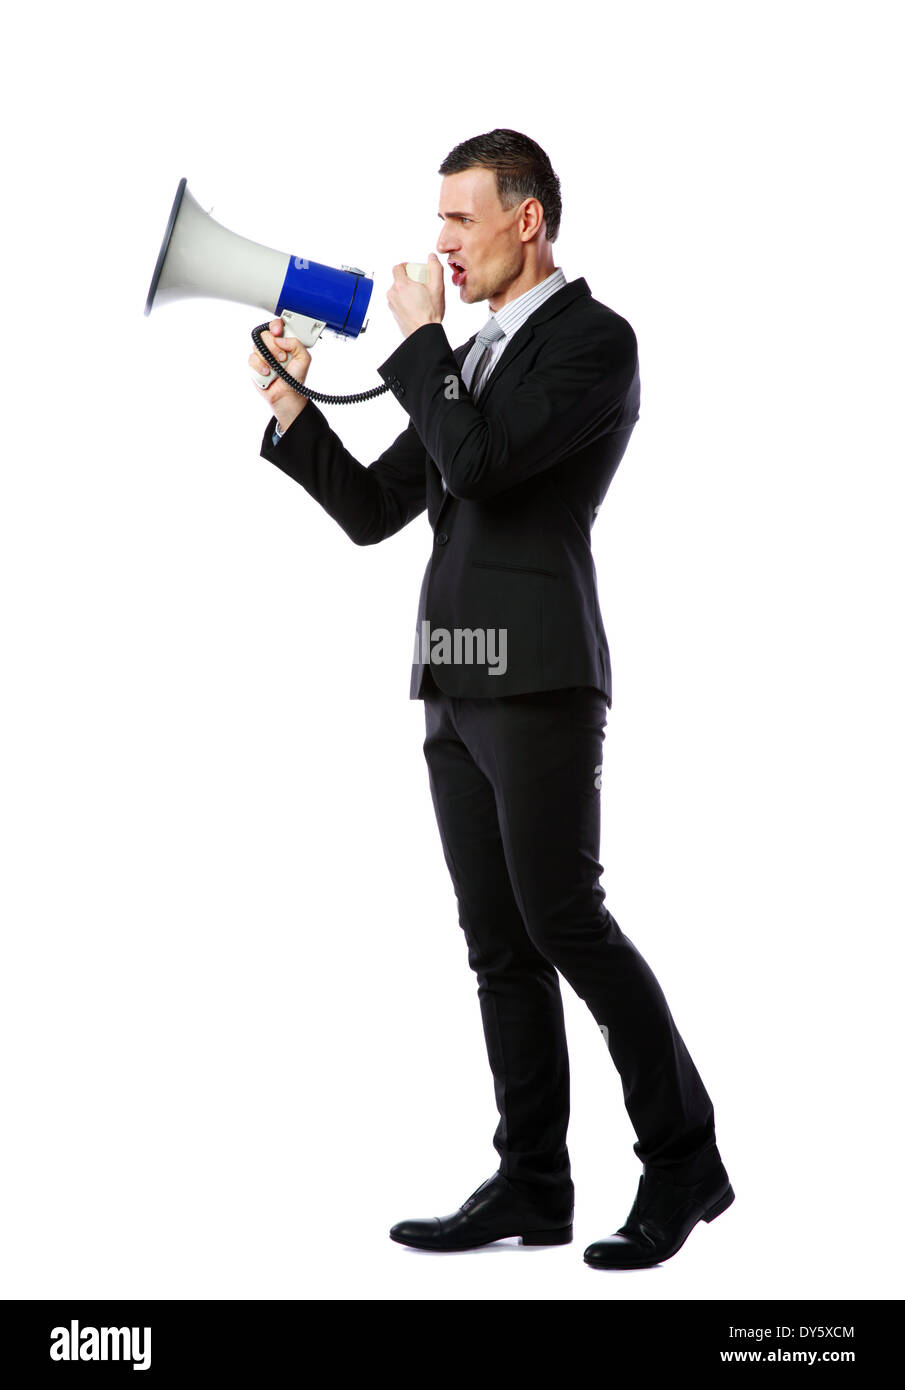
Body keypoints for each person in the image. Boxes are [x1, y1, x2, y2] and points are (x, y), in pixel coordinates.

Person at [249, 129, 733, 1269]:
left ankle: (683, 1163)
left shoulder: (593, 344)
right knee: (497, 944)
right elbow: (380, 508)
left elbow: (478, 465)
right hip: (452, 678)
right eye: (438, 221)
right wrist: (290, 407)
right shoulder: (464, 361)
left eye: (460, 220)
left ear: (527, 220)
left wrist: (422, 342)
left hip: (542, 672)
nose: (441, 244)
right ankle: (532, 1180)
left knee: (565, 919)